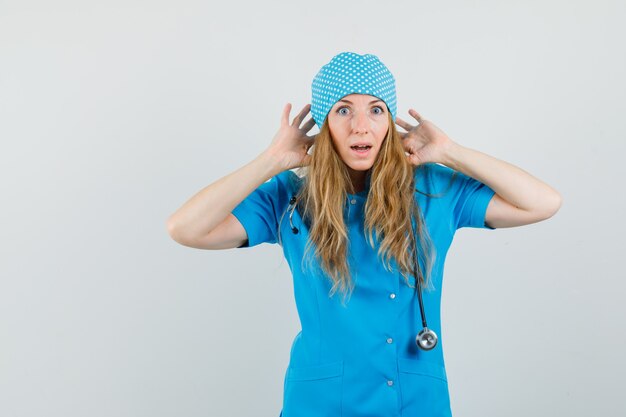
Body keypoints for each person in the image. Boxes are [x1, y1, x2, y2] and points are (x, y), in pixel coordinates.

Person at [166, 51, 562, 417]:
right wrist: (271, 161)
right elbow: (185, 228)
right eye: (342, 110)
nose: (361, 125)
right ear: (324, 125)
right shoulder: (288, 196)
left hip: (416, 402)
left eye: (376, 110)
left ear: (389, 122)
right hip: (319, 404)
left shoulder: (433, 191)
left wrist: (450, 151)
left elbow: (542, 202)